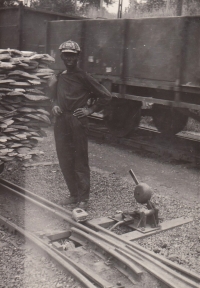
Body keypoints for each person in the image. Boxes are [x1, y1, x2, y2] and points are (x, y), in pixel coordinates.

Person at [49, 40, 112, 210]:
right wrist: (54, 105)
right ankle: (74, 194)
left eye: (72, 55)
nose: (69, 58)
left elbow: (106, 96)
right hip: (61, 120)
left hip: (77, 121)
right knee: (64, 158)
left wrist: (89, 111)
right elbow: (53, 95)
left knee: (80, 160)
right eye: (66, 55)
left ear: (77, 57)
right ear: (62, 56)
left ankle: (83, 199)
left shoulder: (84, 77)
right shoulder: (60, 76)